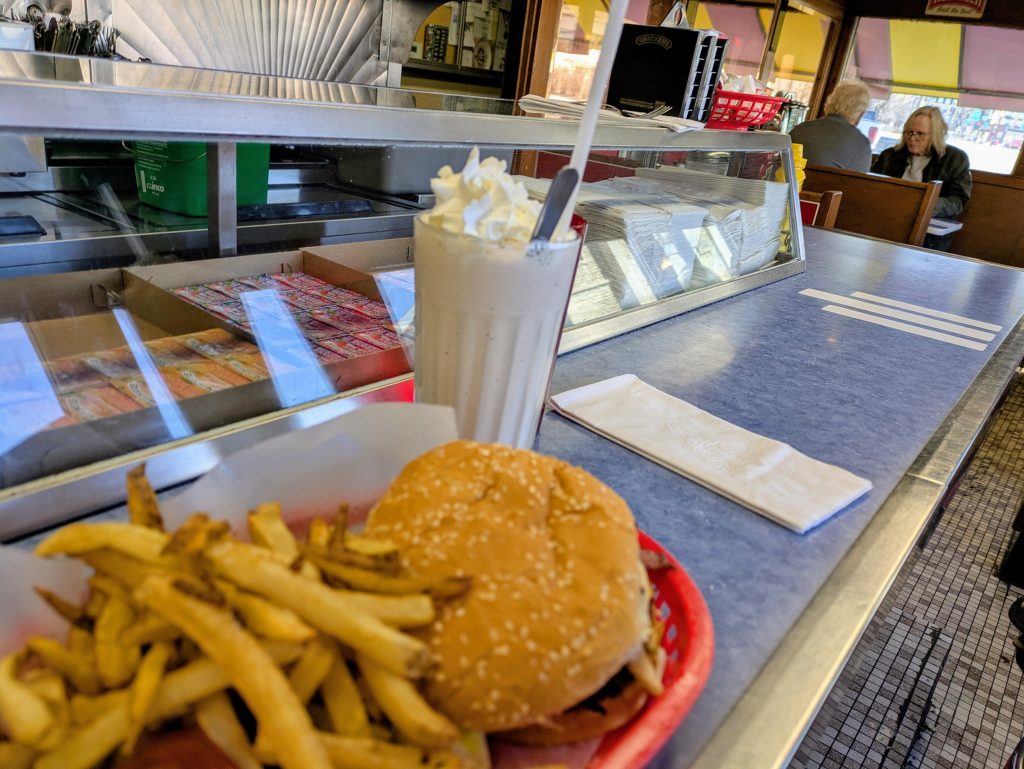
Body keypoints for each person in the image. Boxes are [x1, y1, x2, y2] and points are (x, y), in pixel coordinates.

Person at [872, 106, 972, 251]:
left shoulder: (955, 158)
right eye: (909, 133)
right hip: (886, 222)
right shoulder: (889, 156)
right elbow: (872, 187)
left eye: (920, 134)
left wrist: (926, 204)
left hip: (928, 234)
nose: (912, 139)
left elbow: (958, 200)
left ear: (935, 135)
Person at [789, 81, 872, 172]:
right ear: (861, 114)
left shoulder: (801, 129)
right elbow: (859, 183)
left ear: (829, 103)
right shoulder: (861, 144)